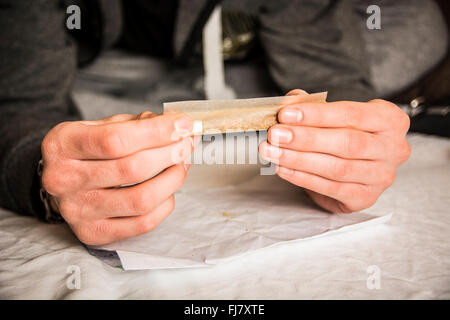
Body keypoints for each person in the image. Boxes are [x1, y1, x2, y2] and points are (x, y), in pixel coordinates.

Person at [0, 0, 447, 246]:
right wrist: (43, 172)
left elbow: (330, 79)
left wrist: (348, 145)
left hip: (239, 54)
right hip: (95, 63)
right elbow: (20, 105)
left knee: (417, 25)